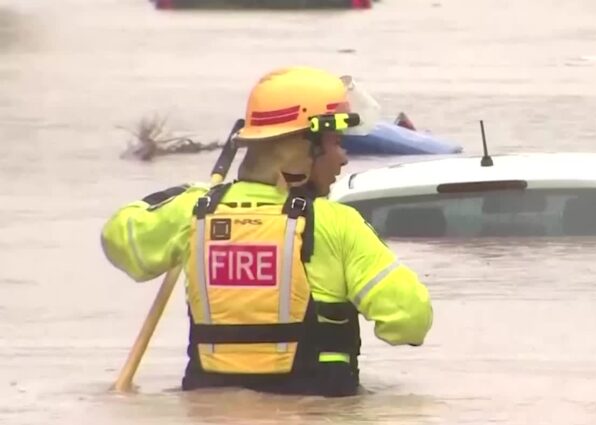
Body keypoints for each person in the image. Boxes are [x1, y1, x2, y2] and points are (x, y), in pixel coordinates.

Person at [100, 66, 433, 397]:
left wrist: (185, 197)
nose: (343, 158)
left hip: (210, 414)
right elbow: (410, 321)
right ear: (302, 150)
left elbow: (118, 238)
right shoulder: (338, 224)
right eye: (335, 142)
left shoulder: (194, 211)